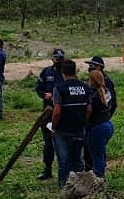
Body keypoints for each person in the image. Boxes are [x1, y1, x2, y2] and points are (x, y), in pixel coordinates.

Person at [51, 60, 90, 188]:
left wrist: (54, 127)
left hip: (62, 131)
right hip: (79, 129)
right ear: (75, 71)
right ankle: (81, 186)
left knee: (64, 162)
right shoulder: (85, 87)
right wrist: (83, 122)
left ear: (63, 72)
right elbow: (89, 109)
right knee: (78, 160)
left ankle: (65, 188)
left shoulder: (59, 88)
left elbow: (57, 112)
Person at [34, 48, 65, 180]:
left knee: (63, 142)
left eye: (60, 58)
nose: (58, 60)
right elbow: (38, 88)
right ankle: (47, 169)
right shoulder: (46, 72)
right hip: (48, 111)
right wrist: (44, 95)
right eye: (56, 58)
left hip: (63, 111)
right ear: (52, 58)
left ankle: (65, 171)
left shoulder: (66, 72)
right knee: (48, 143)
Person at [83, 55, 117, 173]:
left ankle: (98, 178)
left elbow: (89, 111)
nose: (89, 68)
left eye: (92, 66)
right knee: (98, 153)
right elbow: (111, 104)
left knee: (95, 156)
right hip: (106, 124)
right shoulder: (105, 91)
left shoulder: (95, 95)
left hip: (97, 126)